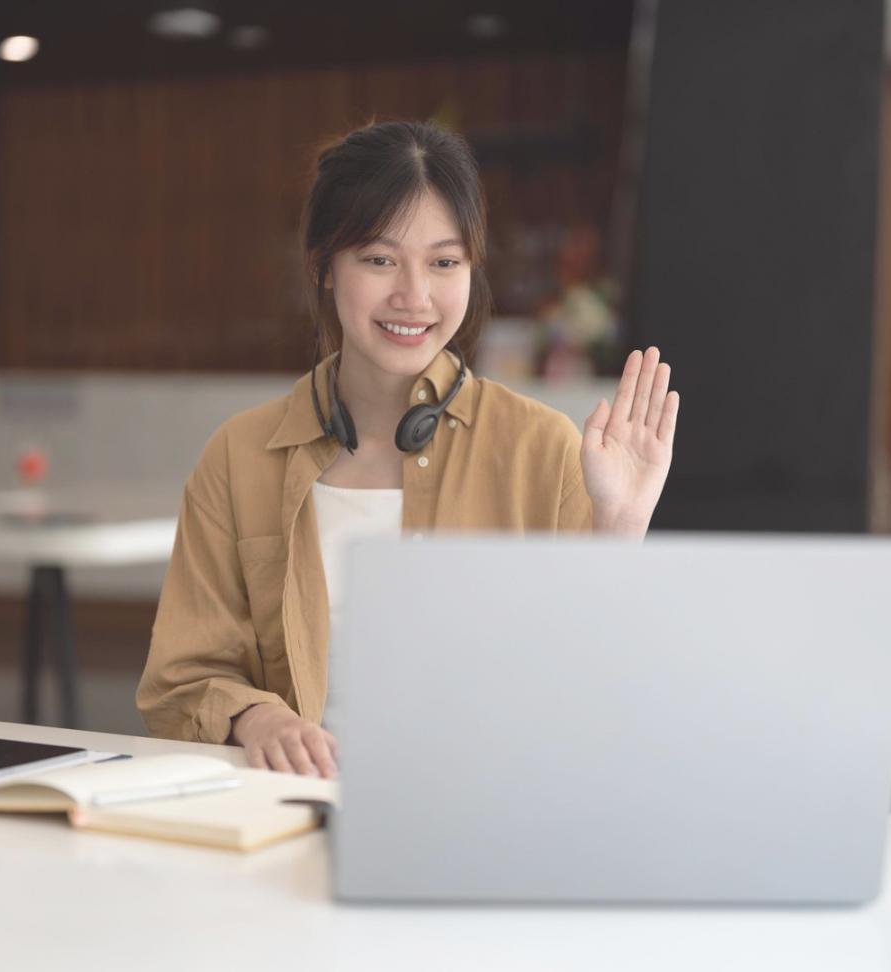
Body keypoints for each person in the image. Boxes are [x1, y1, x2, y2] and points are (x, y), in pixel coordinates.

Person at [136, 119, 679, 778]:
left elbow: (598, 699)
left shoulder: (540, 448)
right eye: (379, 259)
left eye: (444, 262)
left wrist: (618, 529)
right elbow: (179, 683)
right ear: (322, 267)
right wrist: (258, 716)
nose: (413, 296)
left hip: (477, 812)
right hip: (285, 810)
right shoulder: (240, 455)